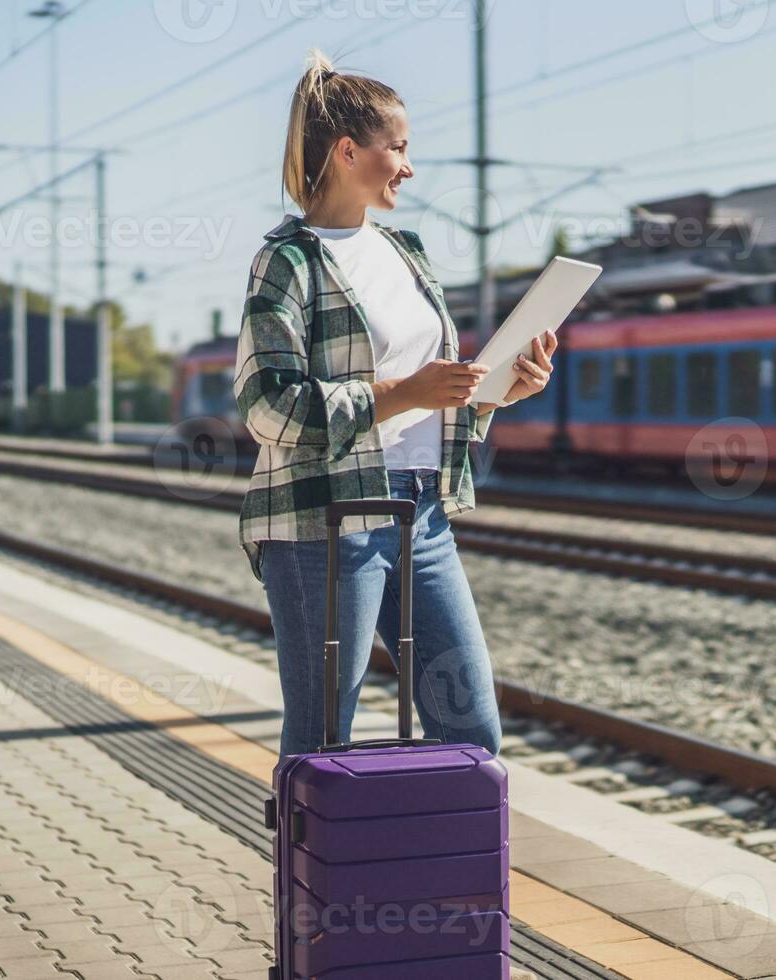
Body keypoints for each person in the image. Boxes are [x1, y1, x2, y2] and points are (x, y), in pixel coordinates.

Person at [233, 49, 557, 760]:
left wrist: (497, 391)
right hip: (326, 523)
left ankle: (448, 875)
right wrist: (401, 394)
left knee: (471, 729)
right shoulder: (288, 261)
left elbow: (430, 398)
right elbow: (266, 404)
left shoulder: (406, 251)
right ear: (349, 152)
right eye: (399, 149)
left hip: (423, 515)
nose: (409, 167)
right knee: (323, 736)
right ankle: (313, 873)